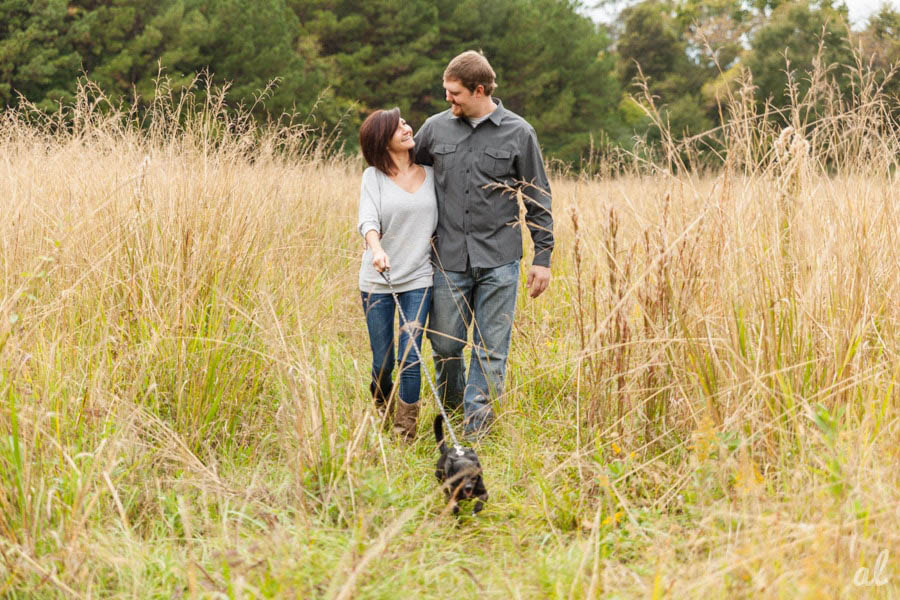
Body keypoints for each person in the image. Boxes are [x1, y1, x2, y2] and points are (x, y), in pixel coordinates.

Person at [413, 50, 554, 439]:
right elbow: (409, 176)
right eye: (446, 91)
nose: (447, 99)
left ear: (479, 90)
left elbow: (538, 196)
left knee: (491, 350)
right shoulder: (434, 129)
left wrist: (543, 257)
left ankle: (475, 432)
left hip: (500, 261)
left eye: (454, 93)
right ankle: (453, 408)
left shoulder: (519, 132)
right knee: (443, 345)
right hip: (447, 259)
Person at [357, 108, 438, 441]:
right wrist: (377, 249)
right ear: (382, 139)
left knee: (411, 356)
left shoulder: (432, 174)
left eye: (406, 122)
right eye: (397, 126)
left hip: (418, 278)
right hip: (379, 279)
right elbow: (368, 220)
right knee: (383, 361)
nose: (407, 128)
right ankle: (383, 407)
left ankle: (405, 433)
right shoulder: (372, 177)